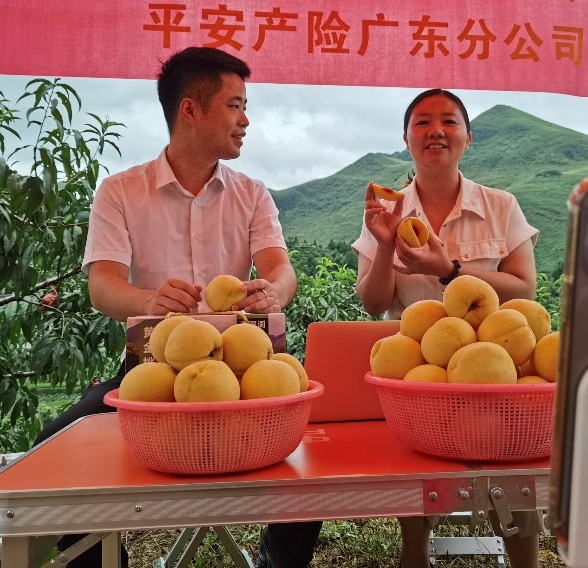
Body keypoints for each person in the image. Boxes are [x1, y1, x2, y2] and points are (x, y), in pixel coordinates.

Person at [34, 46, 318, 568]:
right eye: (235, 106)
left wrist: (275, 290)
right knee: (56, 446)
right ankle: (101, 559)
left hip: (245, 367)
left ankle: (279, 560)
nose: (245, 120)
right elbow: (103, 286)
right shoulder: (120, 192)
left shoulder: (251, 193)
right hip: (151, 370)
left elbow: (281, 268)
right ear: (190, 110)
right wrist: (149, 299)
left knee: (315, 455)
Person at [352, 88, 541, 568]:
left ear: (468, 138)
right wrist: (385, 247)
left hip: (496, 369)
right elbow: (374, 303)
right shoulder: (387, 212)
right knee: (418, 474)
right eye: (422, 122)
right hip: (417, 371)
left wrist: (451, 269)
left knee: (511, 478)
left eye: (449, 121)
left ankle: (522, 555)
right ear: (406, 139)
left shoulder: (501, 205)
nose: (436, 130)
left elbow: (525, 289)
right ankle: (414, 552)